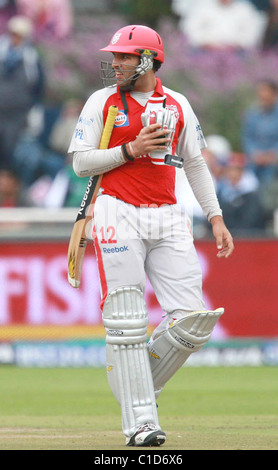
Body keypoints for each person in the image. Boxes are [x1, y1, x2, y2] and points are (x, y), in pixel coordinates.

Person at [68, 25, 234, 447]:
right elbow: (81, 163)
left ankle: (137, 384)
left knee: (192, 322)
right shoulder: (102, 101)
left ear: (148, 59)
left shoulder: (177, 103)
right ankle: (141, 423)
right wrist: (130, 150)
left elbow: (194, 163)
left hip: (169, 215)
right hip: (116, 211)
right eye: (115, 56)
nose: (116, 63)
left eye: (124, 57)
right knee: (126, 322)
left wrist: (215, 217)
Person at [0, 15, 44, 171]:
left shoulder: (31, 58)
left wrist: (31, 108)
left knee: (10, 150)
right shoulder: (2, 52)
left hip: (17, 114)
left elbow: (38, 86)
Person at [182, 0, 266, 51]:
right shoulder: (202, 7)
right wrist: (206, 44)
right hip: (204, 50)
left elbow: (252, 34)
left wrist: (236, 45)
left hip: (236, 52)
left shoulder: (245, 9)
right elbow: (189, 30)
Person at [241, 79, 278, 183]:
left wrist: (273, 154)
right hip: (255, 160)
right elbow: (247, 137)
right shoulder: (252, 113)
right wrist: (254, 153)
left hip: (274, 162)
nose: (263, 95)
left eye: (266, 91)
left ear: (274, 94)